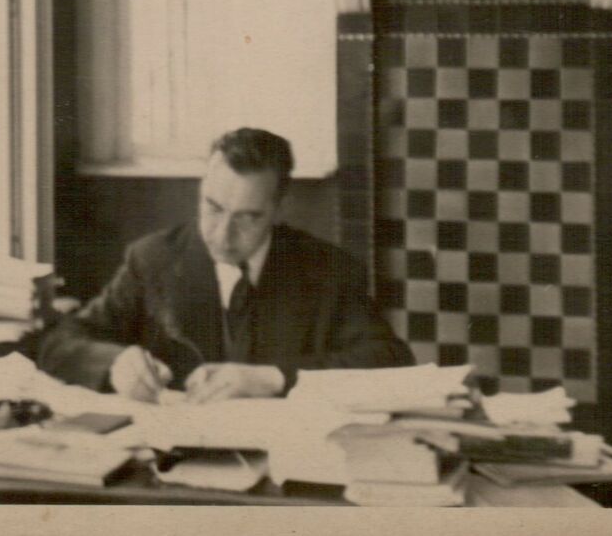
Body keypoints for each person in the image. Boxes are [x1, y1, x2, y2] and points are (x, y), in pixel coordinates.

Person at [38, 127, 413, 403]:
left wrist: (273, 379)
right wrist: (115, 363)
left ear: (278, 209)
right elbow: (60, 343)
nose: (222, 234)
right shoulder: (151, 259)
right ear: (201, 190)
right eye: (213, 208)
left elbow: (389, 360)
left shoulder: (327, 269)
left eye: (247, 218)